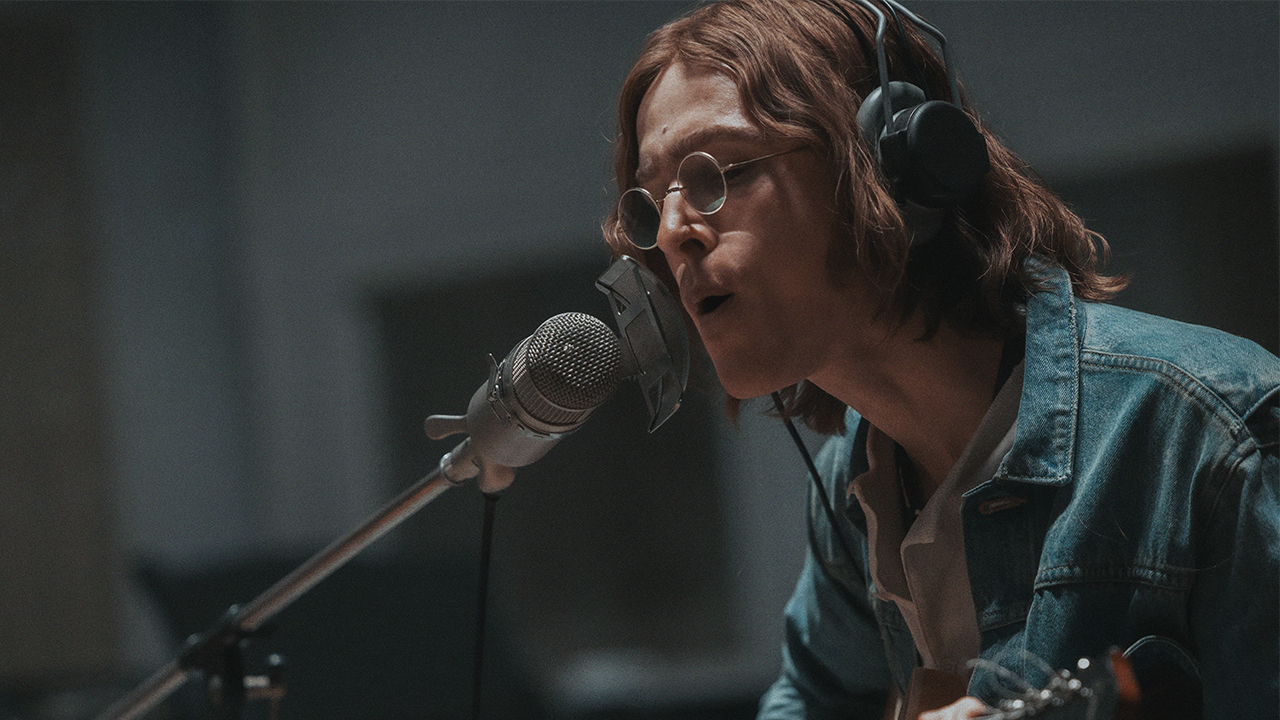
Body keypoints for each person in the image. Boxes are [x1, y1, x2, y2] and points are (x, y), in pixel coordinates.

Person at [599, 1, 1280, 719]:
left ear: (891, 165)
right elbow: (812, 697)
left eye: (720, 172)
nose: (672, 232)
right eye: (651, 200)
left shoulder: (1205, 435)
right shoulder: (854, 489)